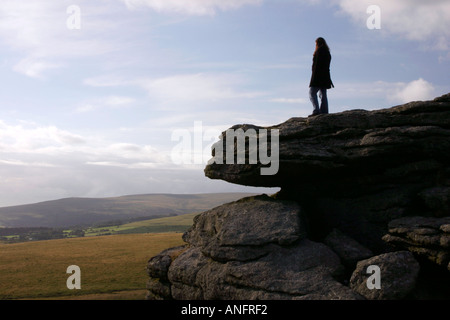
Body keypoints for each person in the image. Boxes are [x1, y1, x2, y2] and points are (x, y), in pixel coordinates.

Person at [309, 37, 334, 116]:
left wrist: (313, 79)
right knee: (323, 94)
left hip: (318, 77)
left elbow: (316, 66)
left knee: (312, 93)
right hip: (325, 77)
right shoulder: (327, 52)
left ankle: (316, 110)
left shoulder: (319, 51)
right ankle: (324, 111)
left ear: (318, 43)